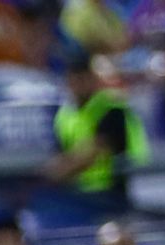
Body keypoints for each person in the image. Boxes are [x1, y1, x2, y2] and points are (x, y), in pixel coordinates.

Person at [44, 58, 149, 210]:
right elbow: (60, 151)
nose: (78, 85)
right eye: (74, 79)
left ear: (92, 79)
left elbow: (95, 151)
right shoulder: (64, 114)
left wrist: (54, 173)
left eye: (83, 78)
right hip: (78, 192)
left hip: (114, 193)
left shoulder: (111, 108)